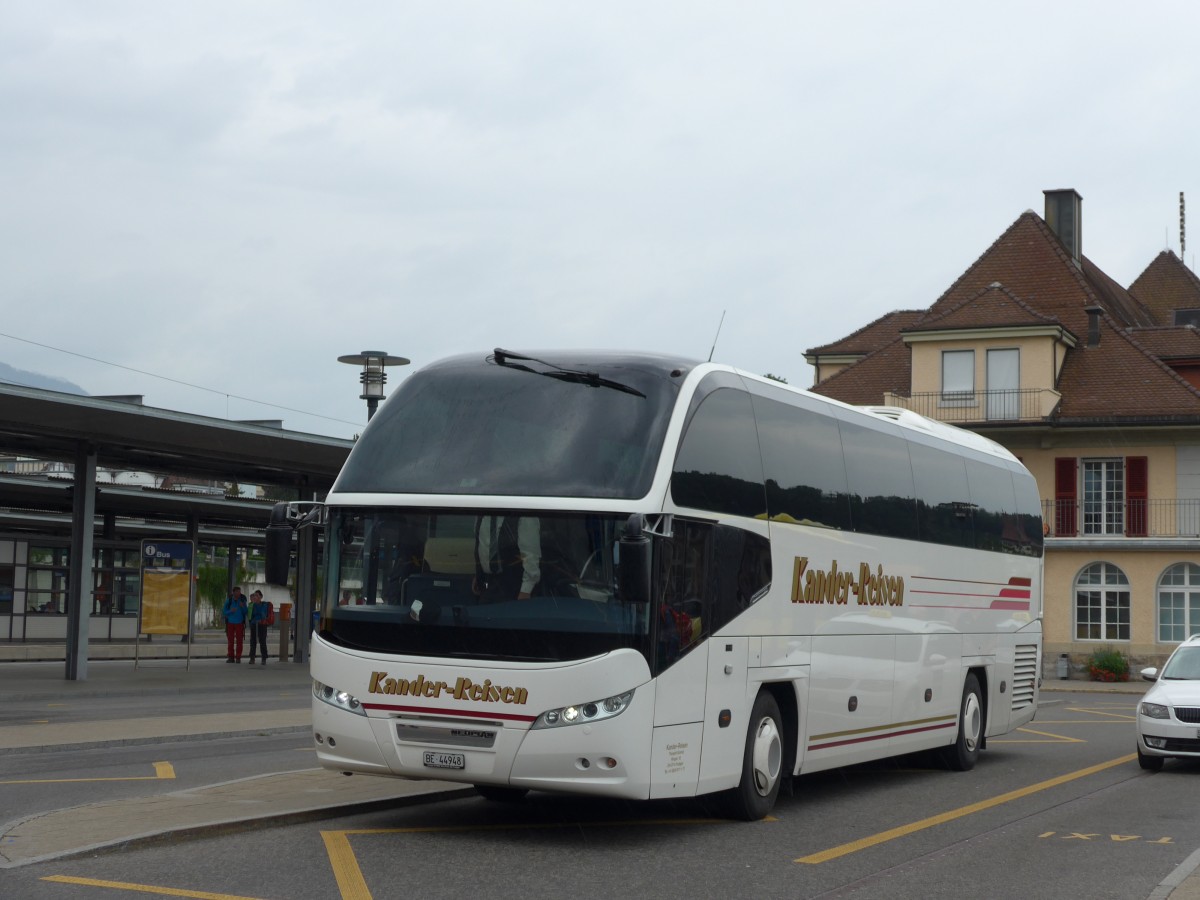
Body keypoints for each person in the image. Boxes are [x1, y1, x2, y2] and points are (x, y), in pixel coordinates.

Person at [473, 515, 541, 602]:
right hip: (487, 583)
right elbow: (482, 545)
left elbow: (531, 553)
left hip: (513, 585)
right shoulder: (481, 514)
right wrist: (479, 574)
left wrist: (526, 590)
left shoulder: (524, 514)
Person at [222, 586, 248, 663]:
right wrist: (230, 611)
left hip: (239, 623)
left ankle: (238, 657)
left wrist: (242, 606)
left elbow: (246, 612)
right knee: (230, 641)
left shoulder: (242, 600)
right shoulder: (229, 600)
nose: (239, 593)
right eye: (237, 592)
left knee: (239, 641)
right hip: (230, 623)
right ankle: (231, 657)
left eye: (239, 592)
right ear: (233, 592)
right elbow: (224, 612)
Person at [246, 590, 270, 665]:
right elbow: (251, 615)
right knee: (252, 641)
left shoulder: (264, 605)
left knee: (262, 641)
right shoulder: (253, 605)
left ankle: (264, 658)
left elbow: (263, 615)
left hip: (262, 625)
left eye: (257, 595)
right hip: (254, 624)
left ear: (260, 596)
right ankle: (252, 658)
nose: (255, 597)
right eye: (254, 595)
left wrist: (259, 615)